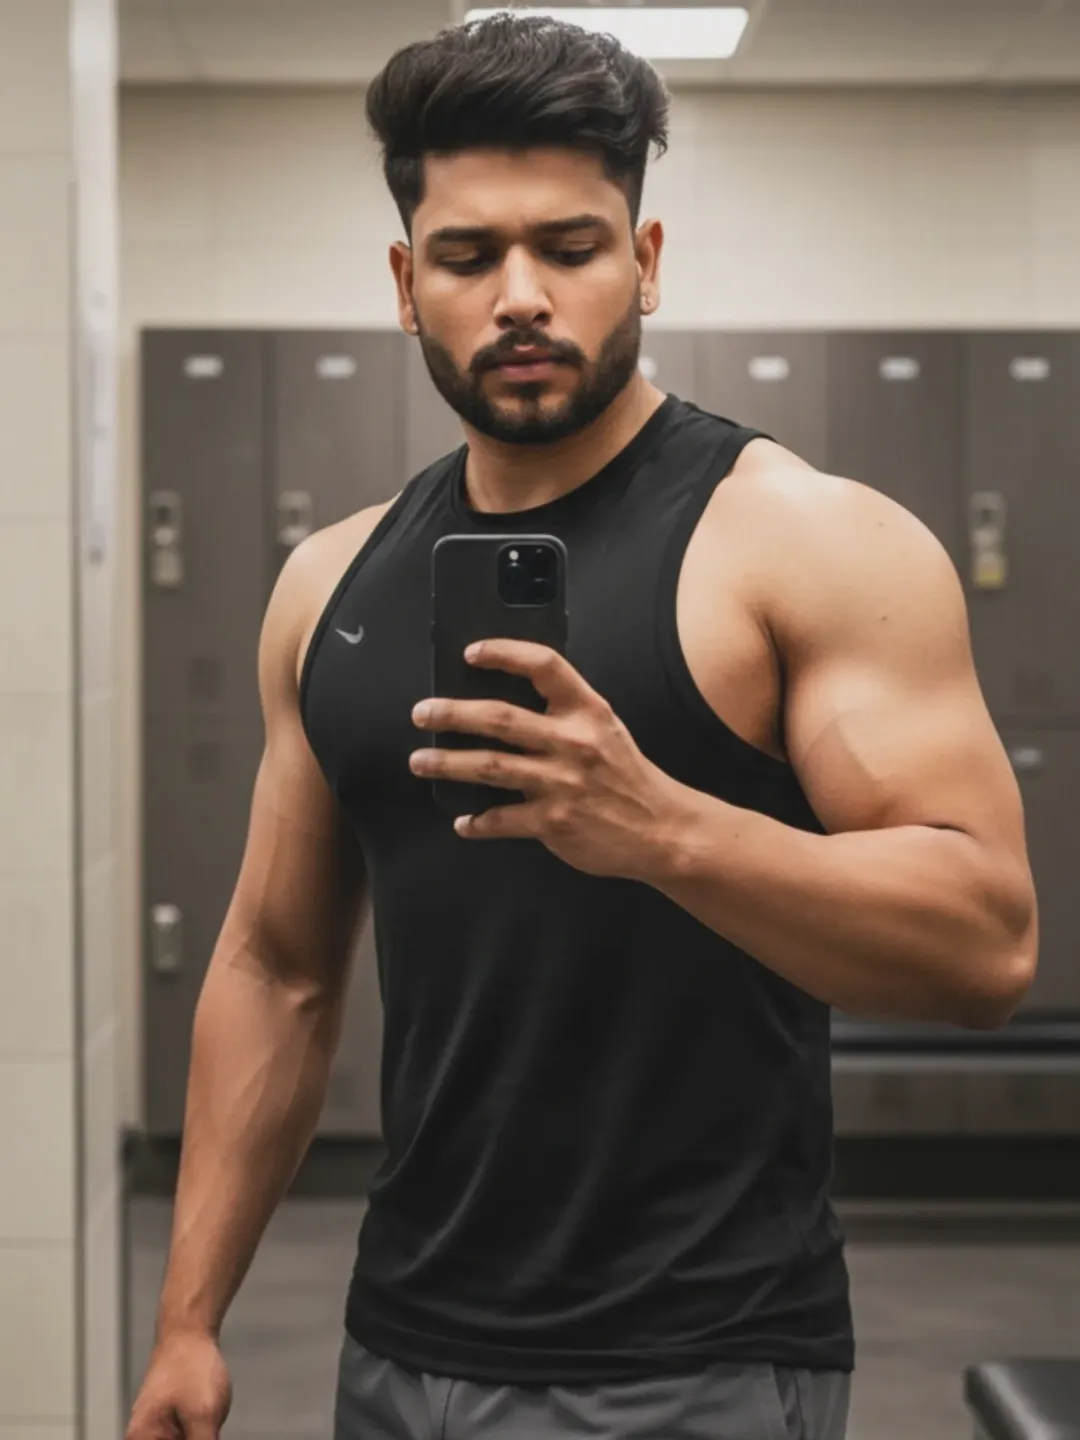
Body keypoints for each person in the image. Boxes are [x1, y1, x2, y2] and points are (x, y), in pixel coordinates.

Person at [126, 13, 1038, 1440]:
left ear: (646, 262)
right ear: (405, 284)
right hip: (400, 1349)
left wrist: (662, 828)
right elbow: (276, 966)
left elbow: (986, 943)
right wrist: (188, 1320)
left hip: (701, 1358)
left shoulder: (809, 546)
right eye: (467, 256)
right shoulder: (328, 586)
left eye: (571, 247)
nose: (521, 297)